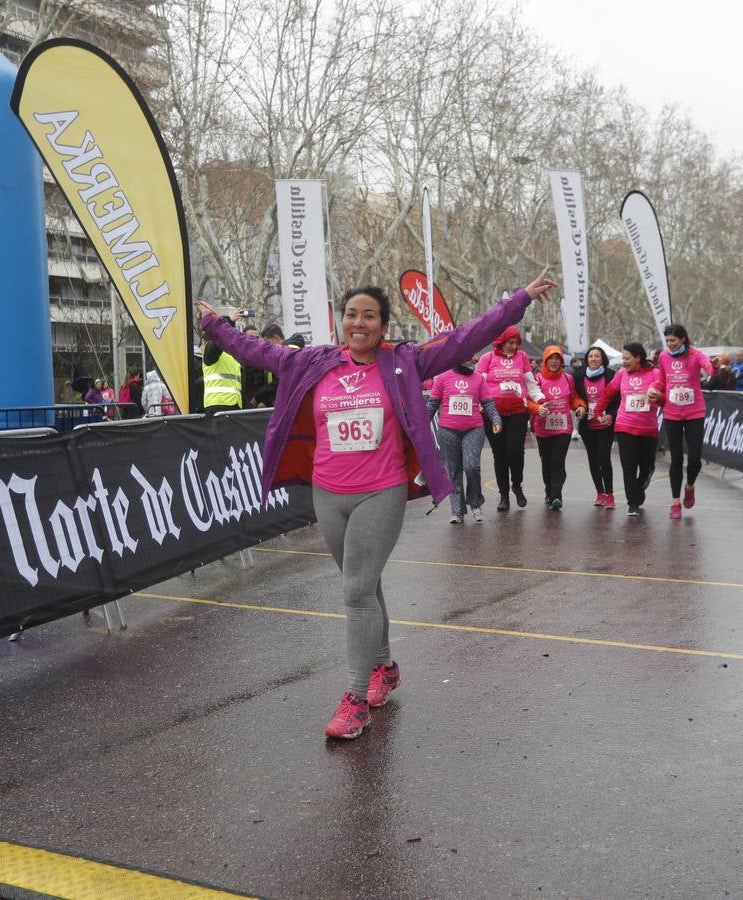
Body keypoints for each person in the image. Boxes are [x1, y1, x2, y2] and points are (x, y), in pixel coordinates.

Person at [194, 269, 558, 740]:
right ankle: (383, 667)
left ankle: (355, 699)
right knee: (361, 584)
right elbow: (257, 351)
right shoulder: (314, 362)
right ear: (341, 321)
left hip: (380, 490)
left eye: (370, 316)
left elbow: (467, 335)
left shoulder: (403, 361)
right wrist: (215, 327)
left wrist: (519, 299)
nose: (359, 323)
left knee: (357, 591)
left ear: (384, 326)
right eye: (351, 315)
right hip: (327, 491)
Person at [475, 326, 544, 512]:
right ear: (502, 342)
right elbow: (478, 384)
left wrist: (539, 399)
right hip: (493, 414)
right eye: (510, 343)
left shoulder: (522, 358)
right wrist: (480, 406)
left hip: (517, 412)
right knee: (500, 455)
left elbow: (530, 383)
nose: (514, 346)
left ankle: (517, 485)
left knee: (515, 451)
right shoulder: (487, 358)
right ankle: (504, 495)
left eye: (516, 343)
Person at [427, 355, 501, 524]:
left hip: (473, 429)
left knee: (471, 466)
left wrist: (496, 420)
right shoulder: (442, 378)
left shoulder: (479, 379)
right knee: (454, 471)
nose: (473, 359)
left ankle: (475, 503)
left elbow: (488, 404)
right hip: (448, 430)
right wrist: (421, 425)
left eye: (475, 357)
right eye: (469, 356)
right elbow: (432, 404)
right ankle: (457, 511)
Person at [592, 342, 663, 516]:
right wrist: (598, 410)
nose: (623, 361)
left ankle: (642, 482)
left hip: (648, 428)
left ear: (638, 358)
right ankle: (633, 503)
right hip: (624, 426)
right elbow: (608, 393)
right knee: (628, 466)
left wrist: (658, 397)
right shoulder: (622, 374)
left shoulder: (655, 374)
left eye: (627, 358)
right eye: (623, 358)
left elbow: (664, 400)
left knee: (645, 466)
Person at [654, 324, 713, 519]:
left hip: (695, 412)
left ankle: (690, 486)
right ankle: (675, 502)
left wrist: (712, 368)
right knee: (676, 459)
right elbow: (661, 380)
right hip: (672, 413)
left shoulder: (695, 355)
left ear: (683, 339)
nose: (670, 344)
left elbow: (708, 367)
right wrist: (654, 388)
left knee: (695, 459)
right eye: (667, 340)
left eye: (673, 340)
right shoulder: (663, 357)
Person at [526, 345, 585, 510]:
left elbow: (574, 399)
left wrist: (580, 406)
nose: (554, 361)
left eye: (557, 358)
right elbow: (527, 400)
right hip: (543, 427)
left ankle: (557, 495)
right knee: (547, 462)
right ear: (545, 360)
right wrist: (537, 409)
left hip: (563, 427)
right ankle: (549, 491)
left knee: (557, 461)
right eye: (550, 358)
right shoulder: (536, 379)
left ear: (561, 361)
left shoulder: (568, 379)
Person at [571, 346, 617, 509]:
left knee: (604, 458)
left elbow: (618, 399)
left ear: (603, 359)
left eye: (597, 356)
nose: (594, 359)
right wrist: (579, 408)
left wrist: (611, 414)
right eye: (591, 356)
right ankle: (600, 492)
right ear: (587, 359)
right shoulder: (579, 376)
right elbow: (575, 398)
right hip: (587, 425)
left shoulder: (611, 375)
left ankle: (610, 494)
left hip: (605, 424)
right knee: (593, 459)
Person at [201, 321, 244, 414]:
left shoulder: (232, 355)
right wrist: (229, 322)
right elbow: (216, 344)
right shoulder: (211, 348)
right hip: (217, 404)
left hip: (235, 404)